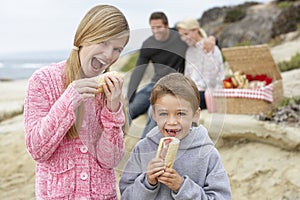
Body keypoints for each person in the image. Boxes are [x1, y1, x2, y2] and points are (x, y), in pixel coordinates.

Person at [23, 5, 129, 199]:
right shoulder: (43, 81)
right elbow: (37, 149)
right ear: (83, 37)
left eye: (117, 49)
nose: (109, 55)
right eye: (103, 42)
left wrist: (113, 111)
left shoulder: (112, 91)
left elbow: (110, 160)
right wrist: (68, 101)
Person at [119, 73, 232, 199]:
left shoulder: (207, 153)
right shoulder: (143, 149)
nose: (172, 122)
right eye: (163, 114)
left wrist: (182, 187)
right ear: (154, 114)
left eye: (180, 113)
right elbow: (126, 196)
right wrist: (147, 183)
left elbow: (222, 197)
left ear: (195, 114)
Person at [127, 12, 215, 138]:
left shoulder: (179, 36)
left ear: (167, 25)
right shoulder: (148, 44)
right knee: (131, 109)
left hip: (174, 86)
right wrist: (130, 96)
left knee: (153, 111)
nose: (156, 31)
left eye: (159, 27)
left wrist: (213, 39)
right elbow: (138, 71)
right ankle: (114, 144)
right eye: (153, 28)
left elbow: (198, 38)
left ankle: (144, 147)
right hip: (154, 85)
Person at [177, 17, 224, 110]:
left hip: (209, 93)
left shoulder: (209, 47)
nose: (183, 38)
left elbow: (211, 80)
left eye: (186, 34)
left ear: (196, 30)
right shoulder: (189, 51)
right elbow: (188, 77)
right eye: (181, 35)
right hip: (194, 91)